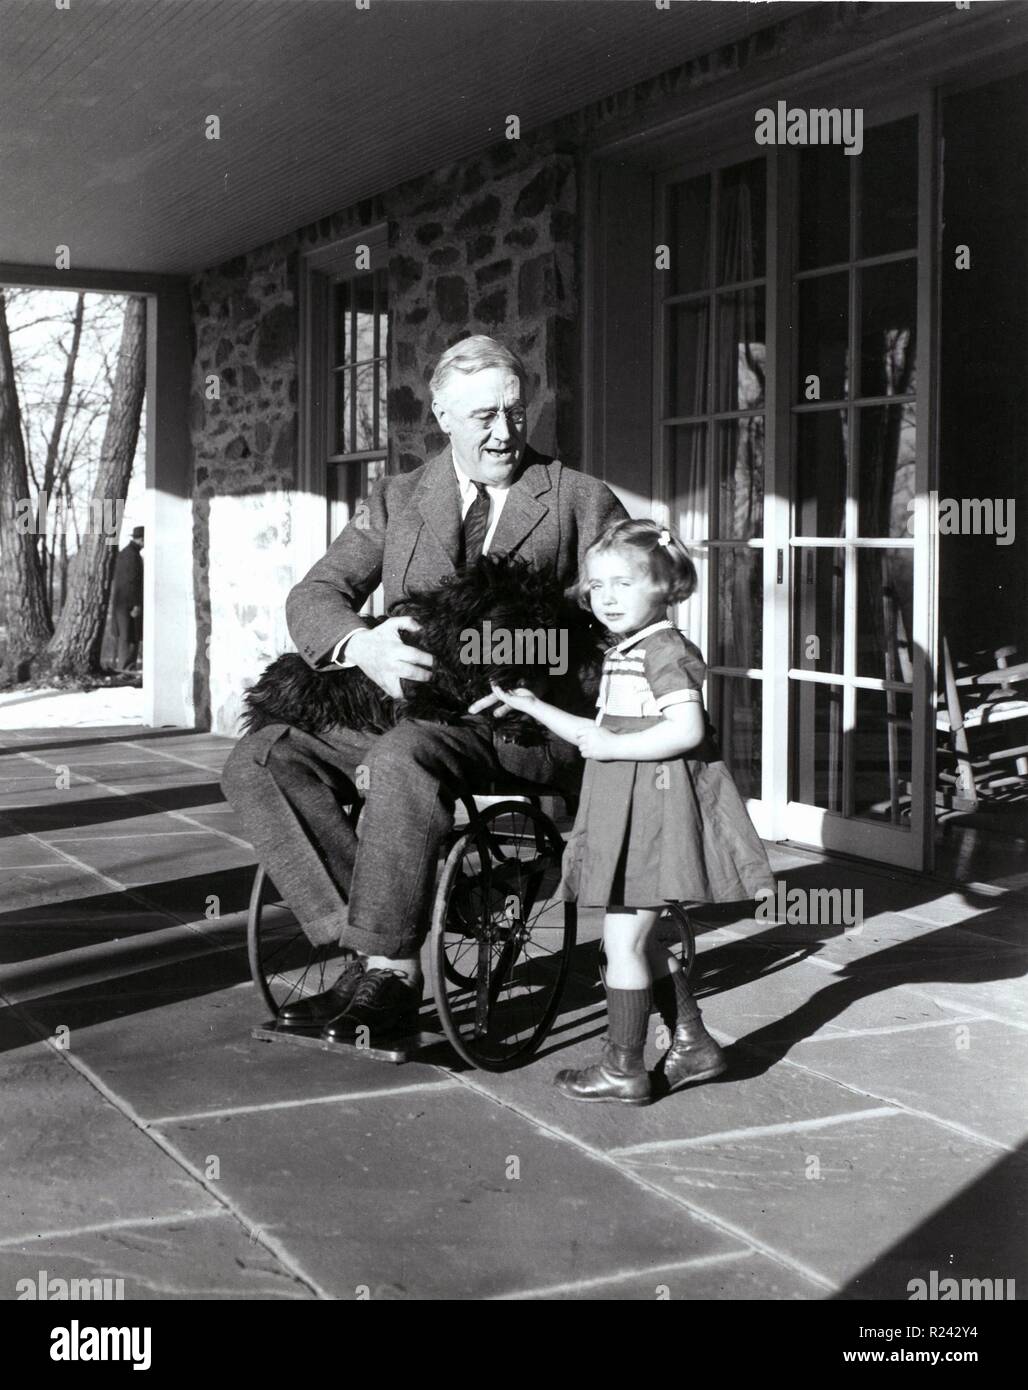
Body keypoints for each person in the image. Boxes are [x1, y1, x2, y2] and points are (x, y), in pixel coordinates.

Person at [221, 335, 628, 1039]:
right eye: (483, 418)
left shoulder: (581, 502)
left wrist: (527, 667)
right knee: (262, 756)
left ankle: (392, 976)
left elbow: (621, 635)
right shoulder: (399, 496)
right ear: (443, 415)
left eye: (515, 412)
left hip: (520, 725)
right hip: (413, 712)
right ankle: (373, 946)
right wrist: (362, 645)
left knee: (403, 757)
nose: (505, 433)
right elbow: (315, 594)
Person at [492, 518, 776, 1105]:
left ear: (666, 586)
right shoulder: (629, 650)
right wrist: (532, 706)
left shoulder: (666, 650)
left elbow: (686, 728)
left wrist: (616, 746)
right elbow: (598, 732)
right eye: (597, 586)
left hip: (655, 816)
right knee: (637, 940)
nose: (608, 597)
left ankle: (624, 1068)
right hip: (632, 812)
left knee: (621, 943)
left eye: (624, 583)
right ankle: (693, 1043)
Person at [110, 525, 144, 671]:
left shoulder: (126, 553)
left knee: (127, 637)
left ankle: (125, 669)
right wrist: (136, 604)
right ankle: (126, 670)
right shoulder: (132, 556)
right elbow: (131, 582)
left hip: (122, 603)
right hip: (128, 604)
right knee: (129, 638)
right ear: (142, 539)